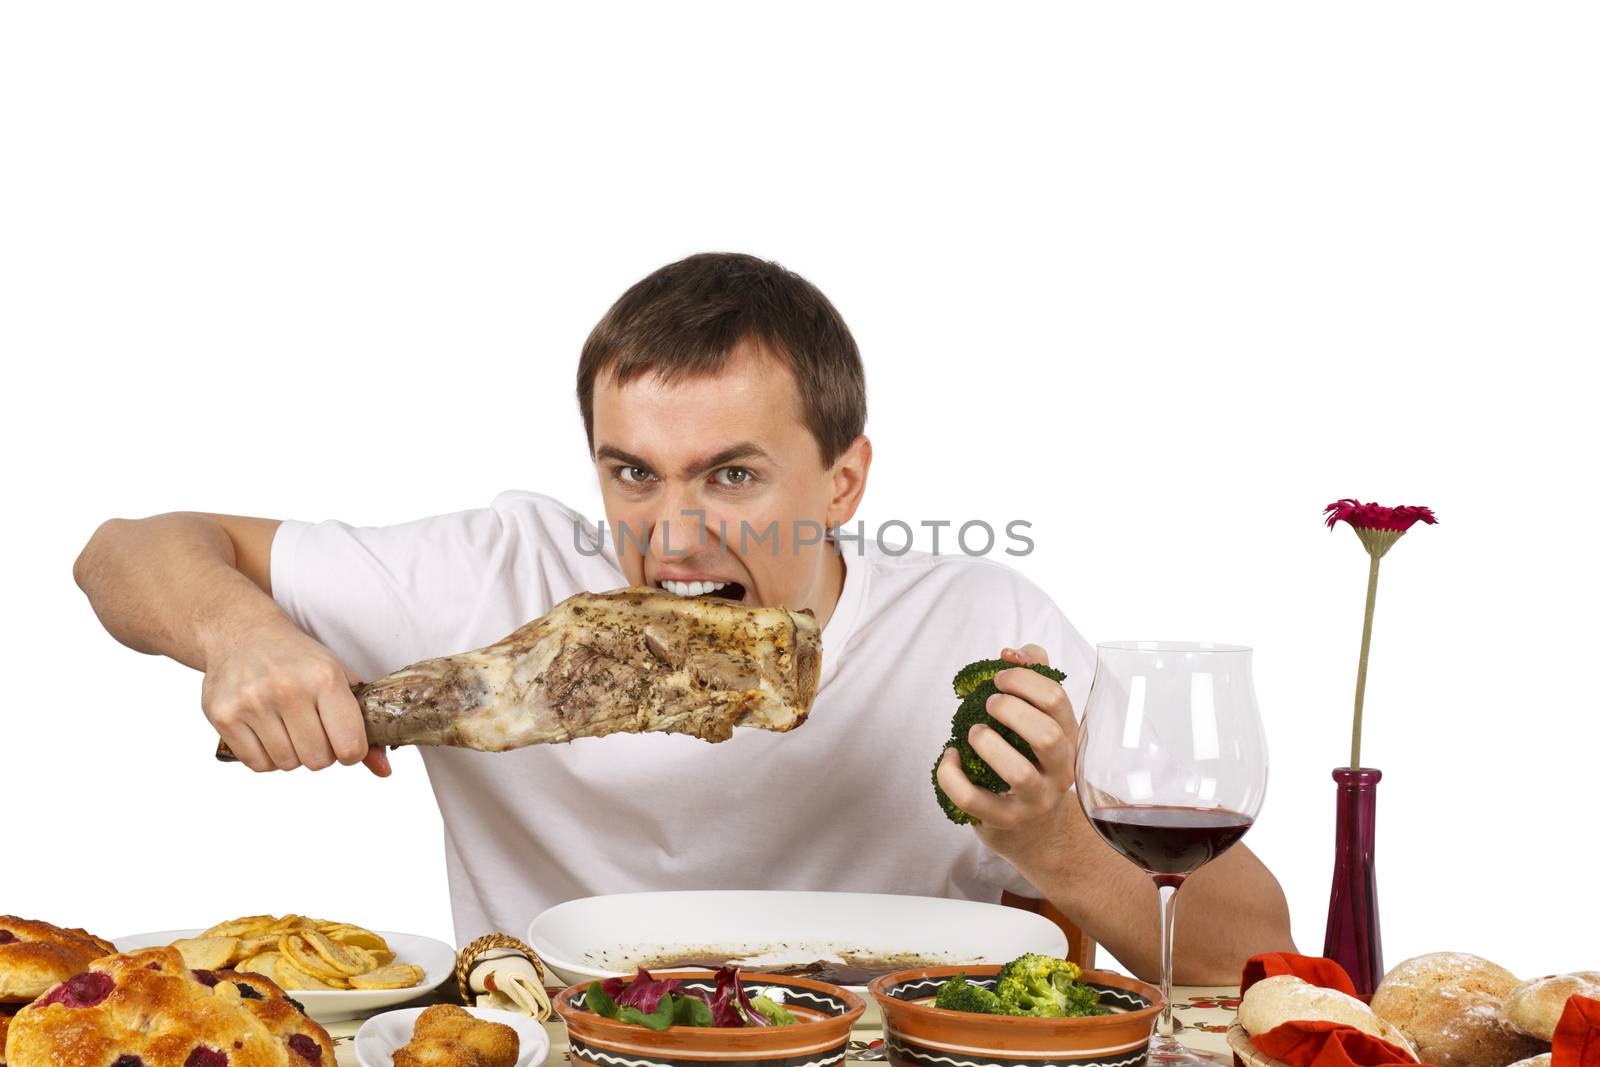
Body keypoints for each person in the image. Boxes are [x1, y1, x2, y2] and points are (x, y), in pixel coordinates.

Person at [74, 252, 1294, 982]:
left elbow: (1256, 958)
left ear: (845, 481)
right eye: (631, 472)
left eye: (732, 475)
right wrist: (246, 637)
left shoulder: (980, 620)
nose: (669, 534)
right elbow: (124, 552)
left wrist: (1053, 844)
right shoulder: (492, 570)